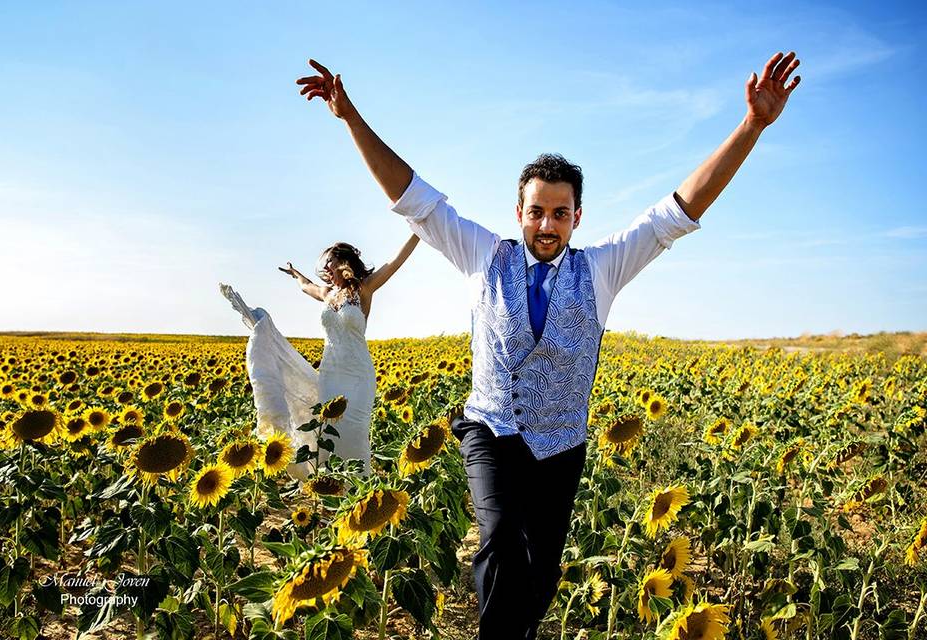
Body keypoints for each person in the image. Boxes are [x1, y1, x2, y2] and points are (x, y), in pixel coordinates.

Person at [297, 52, 801, 638]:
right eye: (536, 211)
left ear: (577, 217)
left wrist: (751, 127)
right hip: (491, 429)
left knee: (540, 571)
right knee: (499, 535)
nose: (546, 224)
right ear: (520, 212)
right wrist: (349, 114)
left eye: (559, 213)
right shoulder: (484, 255)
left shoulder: (604, 269)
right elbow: (415, 198)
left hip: (561, 444)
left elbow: (679, 210)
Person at [221, 234, 420, 478]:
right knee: (329, 431)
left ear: (345, 263)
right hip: (330, 374)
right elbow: (306, 286)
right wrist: (296, 274)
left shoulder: (364, 288)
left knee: (355, 431)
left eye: (331, 262)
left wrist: (419, 227)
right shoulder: (327, 294)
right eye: (325, 264)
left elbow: (395, 261)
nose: (326, 268)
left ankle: (358, 488)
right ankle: (332, 489)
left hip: (358, 374)